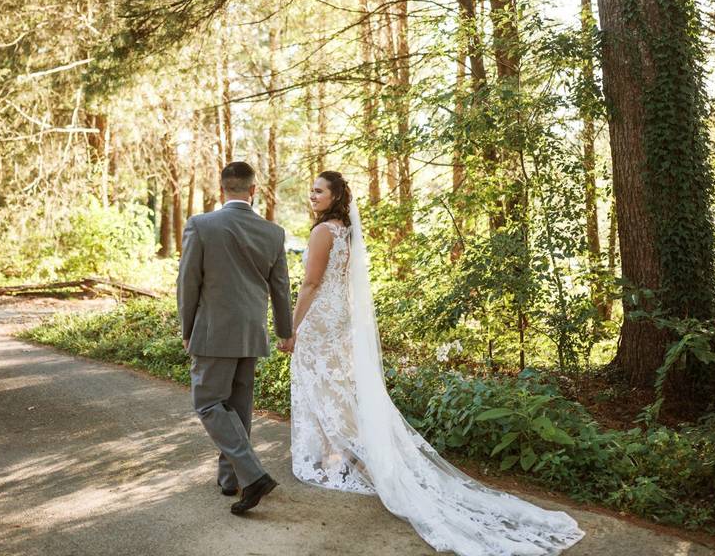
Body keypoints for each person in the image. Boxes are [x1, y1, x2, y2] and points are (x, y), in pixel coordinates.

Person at [280, 170, 585, 555]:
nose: (312, 195)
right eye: (311, 190)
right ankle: (337, 455)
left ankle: (336, 456)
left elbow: (310, 283)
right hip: (340, 317)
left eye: (319, 191)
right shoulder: (347, 230)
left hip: (322, 318)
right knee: (337, 385)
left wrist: (291, 326)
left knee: (322, 384)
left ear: (336, 195)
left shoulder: (322, 232)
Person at [177, 161, 293, 514]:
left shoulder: (201, 225)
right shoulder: (273, 233)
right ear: (253, 190)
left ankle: (254, 476)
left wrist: (187, 329)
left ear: (221, 187)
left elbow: (188, 283)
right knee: (238, 409)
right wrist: (285, 332)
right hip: (251, 332)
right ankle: (231, 480)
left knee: (209, 403)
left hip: (214, 332)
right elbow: (281, 289)